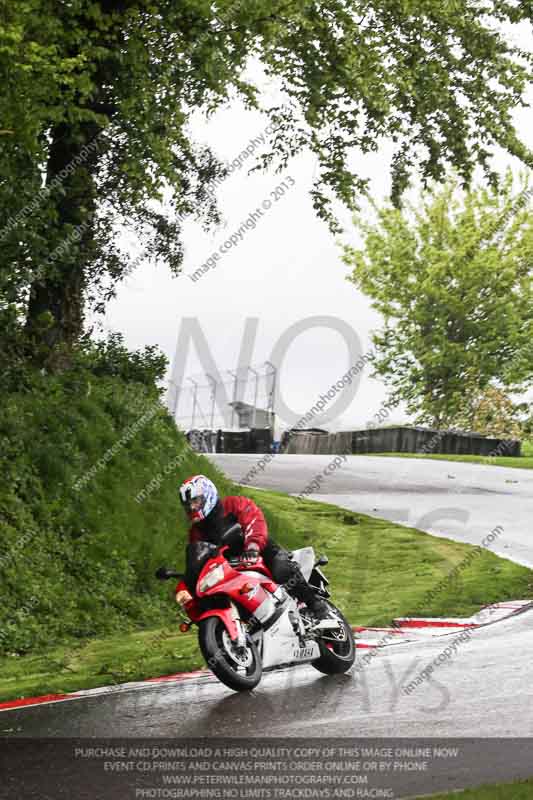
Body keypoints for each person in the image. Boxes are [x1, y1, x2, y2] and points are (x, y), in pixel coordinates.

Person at [179, 474, 329, 619]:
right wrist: (189, 579)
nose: (192, 507)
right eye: (187, 504)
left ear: (208, 494)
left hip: (260, 552)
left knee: (281, 570)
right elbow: (198, 556)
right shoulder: (196, 532)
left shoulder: (233, 504)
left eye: (195, 501)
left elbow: (254, 520)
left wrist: (253, 546)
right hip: (230, 570)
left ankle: (314, 603)